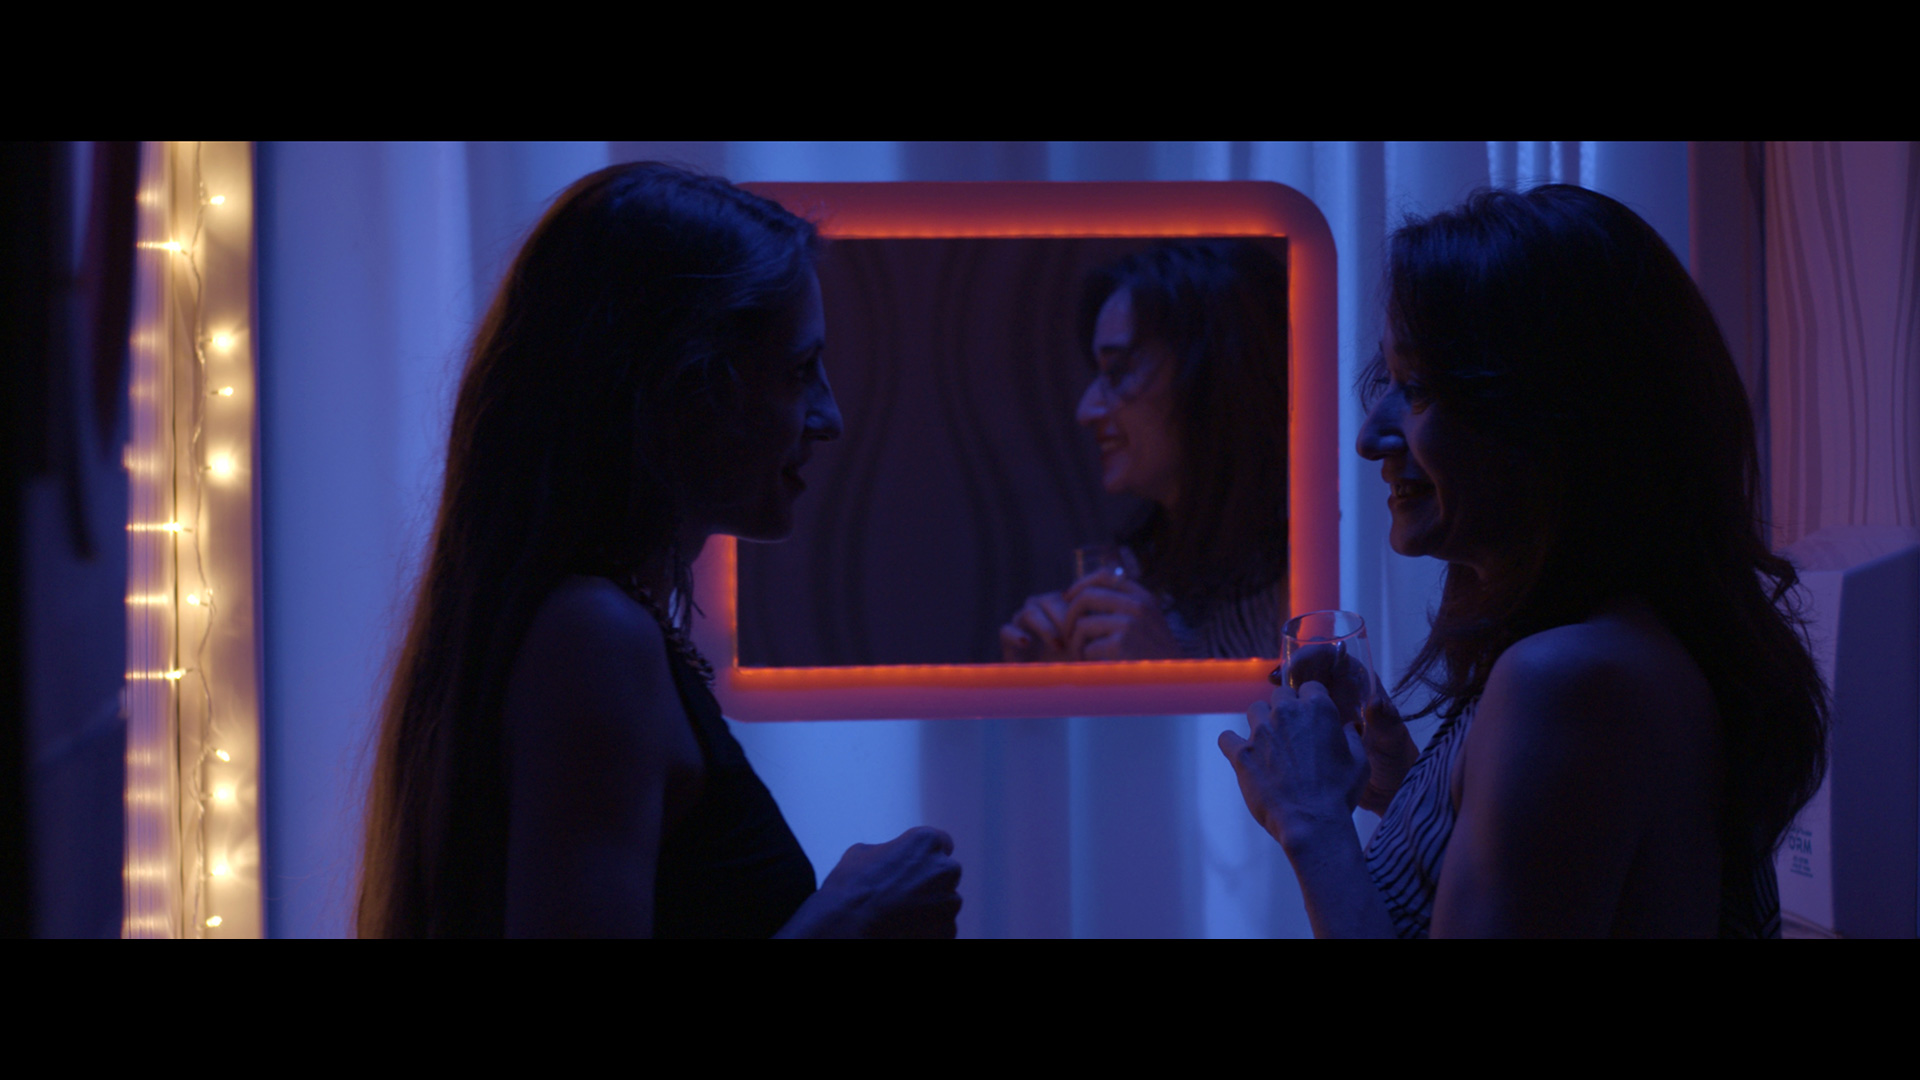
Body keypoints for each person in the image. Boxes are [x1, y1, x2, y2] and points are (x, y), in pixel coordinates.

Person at [356, 163, 962, 937]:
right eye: (798, 371)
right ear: (685, 386)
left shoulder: (584, 625)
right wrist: (852, 918)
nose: (829, 418)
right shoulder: (594, 637)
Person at [1219, 186, 1828, 938]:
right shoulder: (1614, 656)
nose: (1371, 437)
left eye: (1417, 389)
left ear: (1552, 416)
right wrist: (1412, 787)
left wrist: (1313, 822)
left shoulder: (1572, 680)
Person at [999, 241, 1288, 662]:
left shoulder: (1319, 563)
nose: (1086, 411)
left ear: (1211, 373)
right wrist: (1055, 686)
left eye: (1118, 371)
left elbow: (1314, 707)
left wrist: (1166, 674)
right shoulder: (1133, 574)